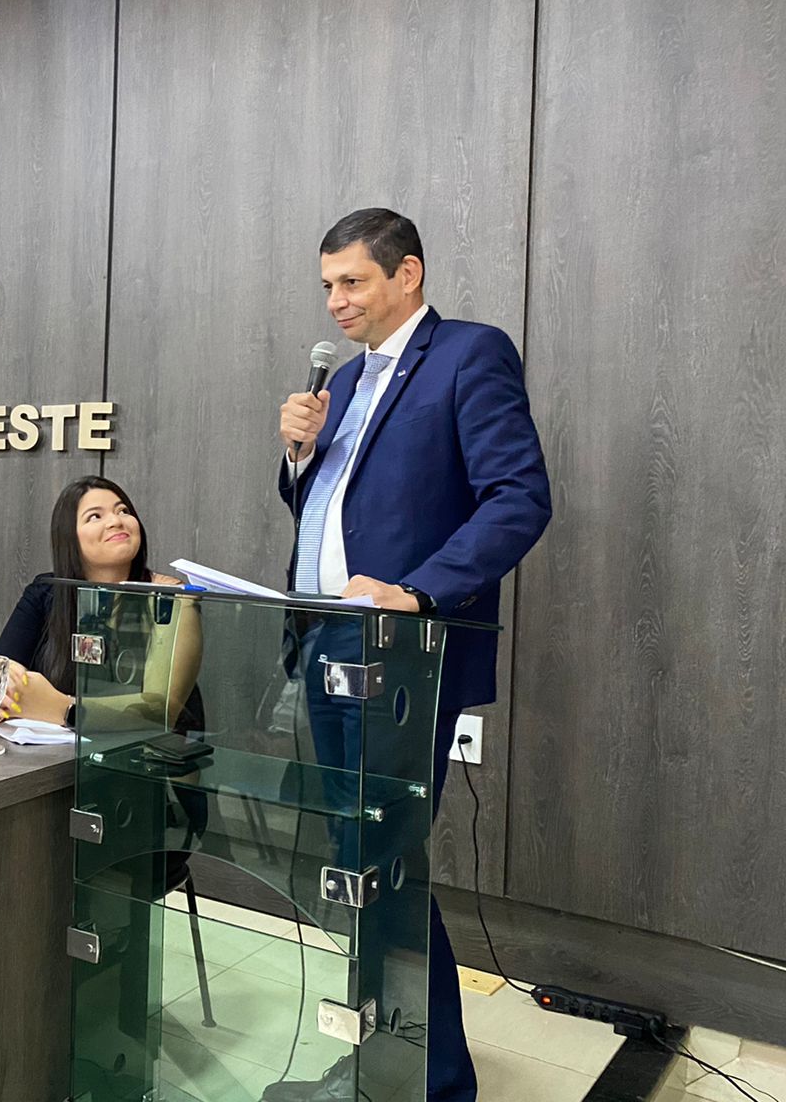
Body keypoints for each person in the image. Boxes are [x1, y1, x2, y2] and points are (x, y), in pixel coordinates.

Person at [268, 209, 551, 1102]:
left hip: (399, 654)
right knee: (356, 861)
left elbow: (519, 498)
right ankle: (384, 1055)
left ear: (408, 273)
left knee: (381, 860)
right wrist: (298, 457)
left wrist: (420, 591)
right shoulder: (346, 381)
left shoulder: (468, 355)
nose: (336, 301)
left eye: (352, 281)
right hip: (325, 643)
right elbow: (334, 511)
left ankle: (429, 1079)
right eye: (327, 285)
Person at [0, 475, 202, 733]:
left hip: (150, 752)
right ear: (69, 537)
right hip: (52, 753)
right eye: (95, 516)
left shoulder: (170, 597)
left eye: (123, 511)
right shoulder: (46, 592)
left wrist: (63, 708)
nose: (116, 521)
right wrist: (5, 691)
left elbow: (159, 710)